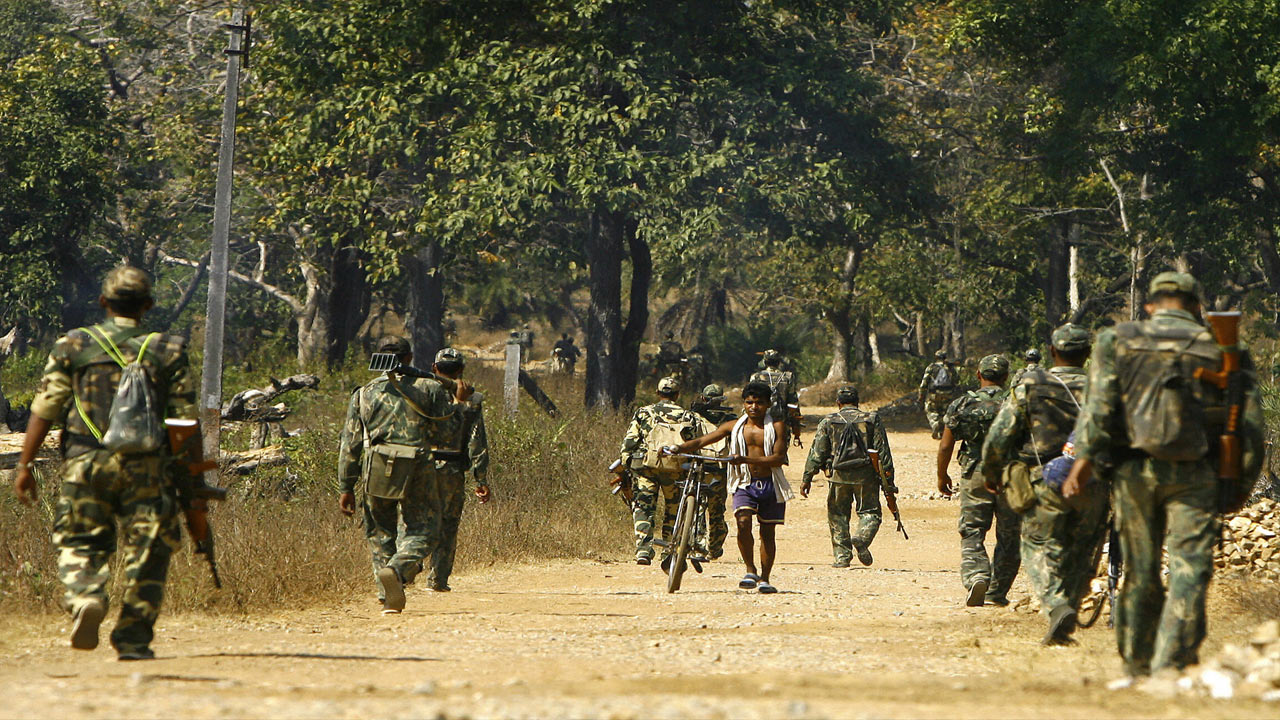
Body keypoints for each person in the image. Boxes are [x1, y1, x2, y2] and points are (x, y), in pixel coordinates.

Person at [1067, 272, 1264, 681]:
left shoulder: (1117, 340)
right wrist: (1238, 486)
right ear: (1195, 305)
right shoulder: (1224, 346)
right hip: (1197, 472)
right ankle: (1171, 662)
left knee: (1140, 570)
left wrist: (1086, 462)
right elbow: (1249, 426)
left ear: (1150, 305)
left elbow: (1098, 409)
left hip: (1133, 471)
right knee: (1190, 568)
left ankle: (1136, 662)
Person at [12, 266, 200, 660]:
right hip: (147, 467)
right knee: (148, 550)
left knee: (80, 539)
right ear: (148, 305)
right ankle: (133, 639)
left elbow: (45, 408)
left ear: (103, 302)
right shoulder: (168, 350)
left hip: (86, 461)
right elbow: (184, 423)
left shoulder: (73, 345)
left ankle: (86, 596)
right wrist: (191, 478)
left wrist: (25, 465)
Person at [981, 324, 1098, 645]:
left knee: (1038, 545)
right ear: (1087, 353)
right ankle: (1067, 613)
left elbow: (1000, 434)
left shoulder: (1031, 385)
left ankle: (1057, 605)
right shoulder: (1104, 388)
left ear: (1052, 352)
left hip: (1044, 479)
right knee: (1083, 550)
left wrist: (992, 471)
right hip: (1094, 481)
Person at [337, 336, 472, 614]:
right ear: (409, 358)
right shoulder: (430, 388)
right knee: (427, 529)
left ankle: (386, 594)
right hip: (418, 465)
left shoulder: (363, 393)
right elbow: (449, 435)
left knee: (380, 532)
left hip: (376, 465)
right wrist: (460, 404)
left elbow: (350, 444)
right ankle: (397, 571)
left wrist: (346, 486)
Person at [667, 382, 793, 594]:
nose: (754, 407)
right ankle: (750, 570)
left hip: (770, 484)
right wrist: (678, 448)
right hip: (744, 483)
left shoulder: (777, 426)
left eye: (759, 403)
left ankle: (765, 578)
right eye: (749, 402)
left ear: (768, 404)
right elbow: (702, 441)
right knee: (743, 522)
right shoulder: (733, 426)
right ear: (744, 403)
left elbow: (778, 458)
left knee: (767, 532)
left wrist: (744, 459)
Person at [937, 354, 1017, 606]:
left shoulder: (961, 404)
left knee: (972, 530)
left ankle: (977, 576)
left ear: (979, 375)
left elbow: (946, 445)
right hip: (1011, 475)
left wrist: (942, 475)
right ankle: (997, 591)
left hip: (975, 473)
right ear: (1006, 377)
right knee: (1010, 535)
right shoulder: (1016, 402)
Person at [615, 377, 710, 565]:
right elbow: (693, 445)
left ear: (658, 393)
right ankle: (668, 550)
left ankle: (643, 550)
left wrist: (626, 465)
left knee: (644, 507)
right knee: (673, 510)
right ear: (677, 395)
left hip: (646, 468)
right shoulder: (687, 416)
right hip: (675, 468)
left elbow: (630, 442)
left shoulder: (644, 413)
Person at [801, 385, 897, 568]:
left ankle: (842, 557)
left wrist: (807, 478)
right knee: (870, 512)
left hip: (838, 476)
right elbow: (883, 452)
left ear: (838, 403)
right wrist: (889, 481)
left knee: (837, 515)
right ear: (857, 402)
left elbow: (817, 452)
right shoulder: (871, 419)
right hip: (866, 477)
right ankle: (862, 537)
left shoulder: (828, 421)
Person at [425, 347, 489, 592]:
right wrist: (480, 479)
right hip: (451, 469)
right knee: (448, 524)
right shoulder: (472, 399)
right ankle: (438, 579)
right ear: (461, 370)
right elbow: (476, 441)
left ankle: (405, 569)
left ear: (434, 368)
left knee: (414, 520)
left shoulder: (421, 393)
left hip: (420, 467)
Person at [689, 384, 736, 560]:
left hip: (699, 466)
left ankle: (699, 545)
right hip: (720, 469)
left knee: (698, 507)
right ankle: (714, 547)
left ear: (703, 398)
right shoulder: (730, 419)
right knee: (716, 510)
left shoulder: (693, 417)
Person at [750, 349, 801, 445]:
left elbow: (750, 399)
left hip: (760, 422)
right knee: (780, 451)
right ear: (778, 362)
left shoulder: (756, 377)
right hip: (781, 422)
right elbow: (793, 404)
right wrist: (796, 428)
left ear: (765, 362)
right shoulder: (787, 377)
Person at [919, 349, 962, 440]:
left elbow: (924, 383)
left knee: (931, 411)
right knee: (944, 413)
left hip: (934, 394)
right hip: (948, 394)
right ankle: (942, 432)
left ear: (936, 357)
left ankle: (935, 424)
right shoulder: (950, 368)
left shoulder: (931, 367)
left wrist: (921, 396)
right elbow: (956, 381)